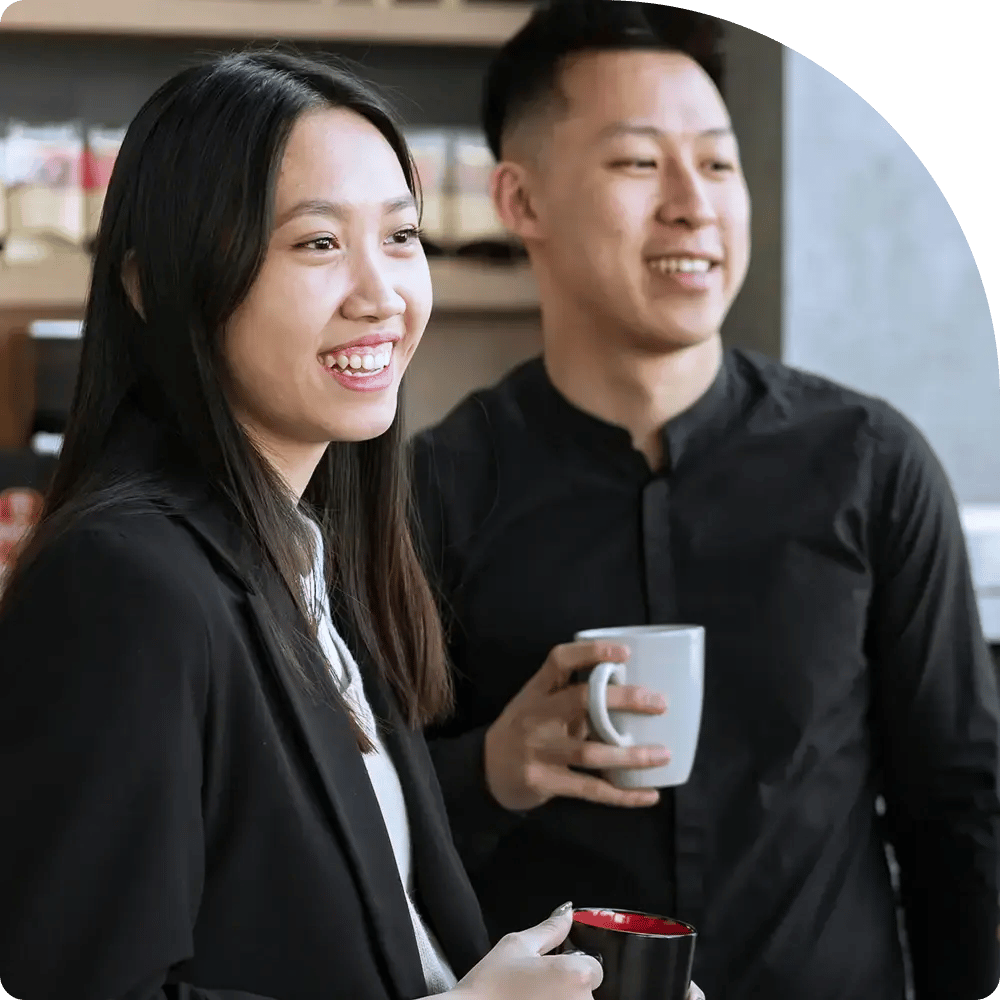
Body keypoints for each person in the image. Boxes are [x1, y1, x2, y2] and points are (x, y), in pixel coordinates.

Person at [410, 3, 1000, 1000]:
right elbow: (355, 825)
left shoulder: (869, 462)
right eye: (639, 164)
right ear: (520, 200)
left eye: (718, 164)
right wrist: (490, 770)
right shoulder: (434, 487)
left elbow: (962, 806)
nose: (693, 205)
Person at [0, 50, 616, 1000]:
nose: (382, 295)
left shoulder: (312, 564)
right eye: (318, 244)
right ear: (153, 286)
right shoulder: (122, 583)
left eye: (402, 236)